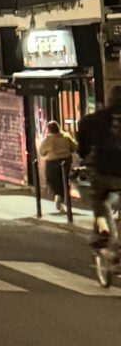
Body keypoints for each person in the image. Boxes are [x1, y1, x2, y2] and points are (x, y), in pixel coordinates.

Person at [76, 88, 121, 244]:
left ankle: (104, 231)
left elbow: (83, 141)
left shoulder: (96, 119)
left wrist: (85, 155)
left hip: (105, 170)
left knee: (99, 201)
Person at [37, 116, 76, 218]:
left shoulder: (47, 140)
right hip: (65, 162)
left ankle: (58, 196)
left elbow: (42, 152)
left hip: (52, 163)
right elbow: (74, 147)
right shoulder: (66, 137)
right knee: (65, 181)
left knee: (53, 181)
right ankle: (64, 200)